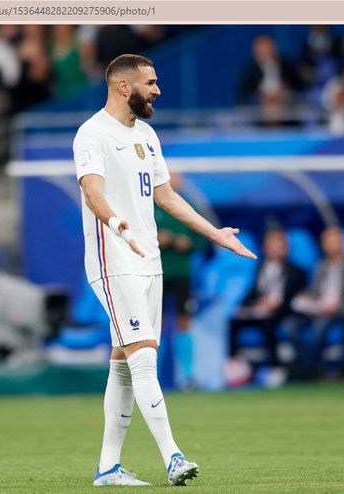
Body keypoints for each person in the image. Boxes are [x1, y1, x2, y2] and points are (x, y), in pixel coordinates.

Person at [73, 54, 256, 487]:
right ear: (124, 87)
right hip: (113, 262)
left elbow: (167, 197)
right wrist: (117, 224)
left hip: (148, 262)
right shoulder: (92, 134)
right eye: (150, 83)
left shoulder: (148, 134)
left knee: (123, 362)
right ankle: (173, 456)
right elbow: (92, 192)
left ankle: (108, 468)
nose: (157, 90)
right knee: (144, 358)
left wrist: (215, 233)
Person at [287, 226, 344, 379]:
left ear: (343, 243)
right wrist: (306, 297)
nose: (333, 245)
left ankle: (311, 371)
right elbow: (315, 292)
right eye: (329, 242)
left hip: (342, 312)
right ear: (323, 245)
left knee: (320, 327)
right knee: (291, 326)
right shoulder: (320, 267)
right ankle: (302, 366)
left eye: (336, 241)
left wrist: (335, 307)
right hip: (319, 309)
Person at [153, 172, 208, 389]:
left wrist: (190, 244)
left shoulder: (189, 206)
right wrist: (155, 239)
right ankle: (152, 376)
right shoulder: (149, 206)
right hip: (157, 273)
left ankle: (187, 376)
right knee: (156, 323)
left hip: (182, 274)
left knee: (183, 321)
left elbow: (203, 238)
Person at [228, 227, 306, 371]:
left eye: (279, 245)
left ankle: (276, 366)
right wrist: (243, 305)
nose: (276, 249)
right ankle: (234, 364)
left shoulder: (296, 271)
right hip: (260, 310)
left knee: (268, 323)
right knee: (234, 322)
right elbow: (254, 291)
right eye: (272, 245)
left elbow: (295, 298)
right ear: (265, 248)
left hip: (283, 312)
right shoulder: (261, 268)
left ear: (286, 248)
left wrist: (275, 305)